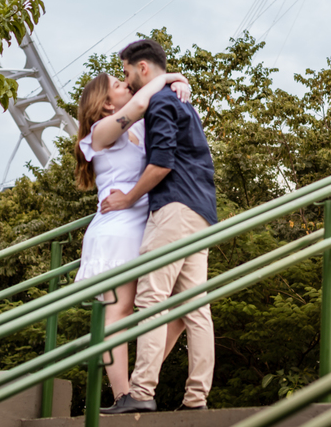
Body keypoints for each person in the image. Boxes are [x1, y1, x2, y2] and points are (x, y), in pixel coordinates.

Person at [99, 38, 217, 413]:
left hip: (173, 209)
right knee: (195, 307)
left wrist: (129, 197)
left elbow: (162, 162)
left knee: (152, 300)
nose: (126, 80)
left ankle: (141, 392)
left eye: (126, 72)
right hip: (201, 210)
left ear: (143, 67)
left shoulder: (161, 102)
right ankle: (196, 398)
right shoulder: (181, 100)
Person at [74, 69, 192, 405]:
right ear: (106, 104)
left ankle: (141, 380)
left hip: (147, 226)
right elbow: (141, 101)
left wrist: (179, 84)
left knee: (182, 308)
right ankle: (123, 395)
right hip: (117, 230)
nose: (125, 84)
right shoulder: (100, 132)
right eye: (116, 84)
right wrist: (170, 75)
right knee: (120, 312)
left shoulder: (139, 126)